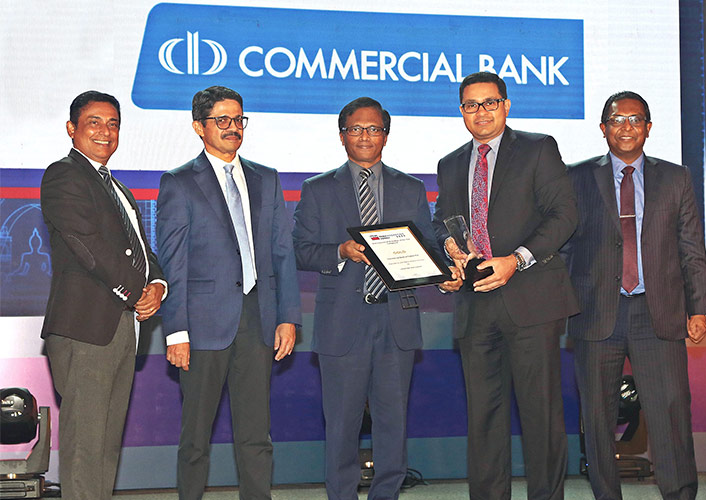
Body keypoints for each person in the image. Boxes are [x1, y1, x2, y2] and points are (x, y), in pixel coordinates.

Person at [293, 97, 461, 500]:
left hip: (395, 320)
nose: (365, 136)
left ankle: (386, 494)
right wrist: (340, 251)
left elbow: (426, 248)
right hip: (341, 323)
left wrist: (444, 278)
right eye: (356, 129)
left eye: (373, 129)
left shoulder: (411, 188)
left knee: (392, 424)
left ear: (386, 135)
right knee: (341, 425)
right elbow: (299, 250)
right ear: (342, 136)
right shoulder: (317, 189)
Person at [432, 72, 579, 500]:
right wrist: (449, 247)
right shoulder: (450, 163)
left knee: (541, 418)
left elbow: (564, 215)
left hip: (532, 300)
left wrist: (516, 260)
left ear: (506, 105)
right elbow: (441, 220)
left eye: (489, 102)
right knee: (483, 420)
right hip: (476, 305)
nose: (481, 112)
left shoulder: (538, 148)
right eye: (471, 105)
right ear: (461, 111)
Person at [563, 91, 706, 500]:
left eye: (635, 119)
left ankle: (679, 494)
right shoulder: (576, 177)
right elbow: (564, 249)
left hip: (657, 311)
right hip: (596, 312)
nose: (626, 127)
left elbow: (692, 249)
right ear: (603, 128)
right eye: (617, 119)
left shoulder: (676, 178)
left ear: (648, 127)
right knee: (597, 417)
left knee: (670, 412)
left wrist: (700, 309)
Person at [156, 86, 301, 500]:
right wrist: (176, 331)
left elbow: (282, 251)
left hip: (258, 319)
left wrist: (288, 316)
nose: (233, 127)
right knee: (195, 438)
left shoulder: (266, 178)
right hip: (202, 326)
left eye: (238, 119)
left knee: (256, 435)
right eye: (222, 120)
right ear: (198, 127)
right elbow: (174, 262)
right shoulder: (179, 182)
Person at [40, 90, 166, 500]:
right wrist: (136, 291)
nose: (105, 131)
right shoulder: (64, 175)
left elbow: (143, 251)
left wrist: (157, 286)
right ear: (72, 128)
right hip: (86, 328)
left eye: (113, 124)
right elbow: (89, 248)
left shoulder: (118, 189)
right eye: (94, 122)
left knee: (106, 445)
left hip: (122, 327)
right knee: (85, 446)